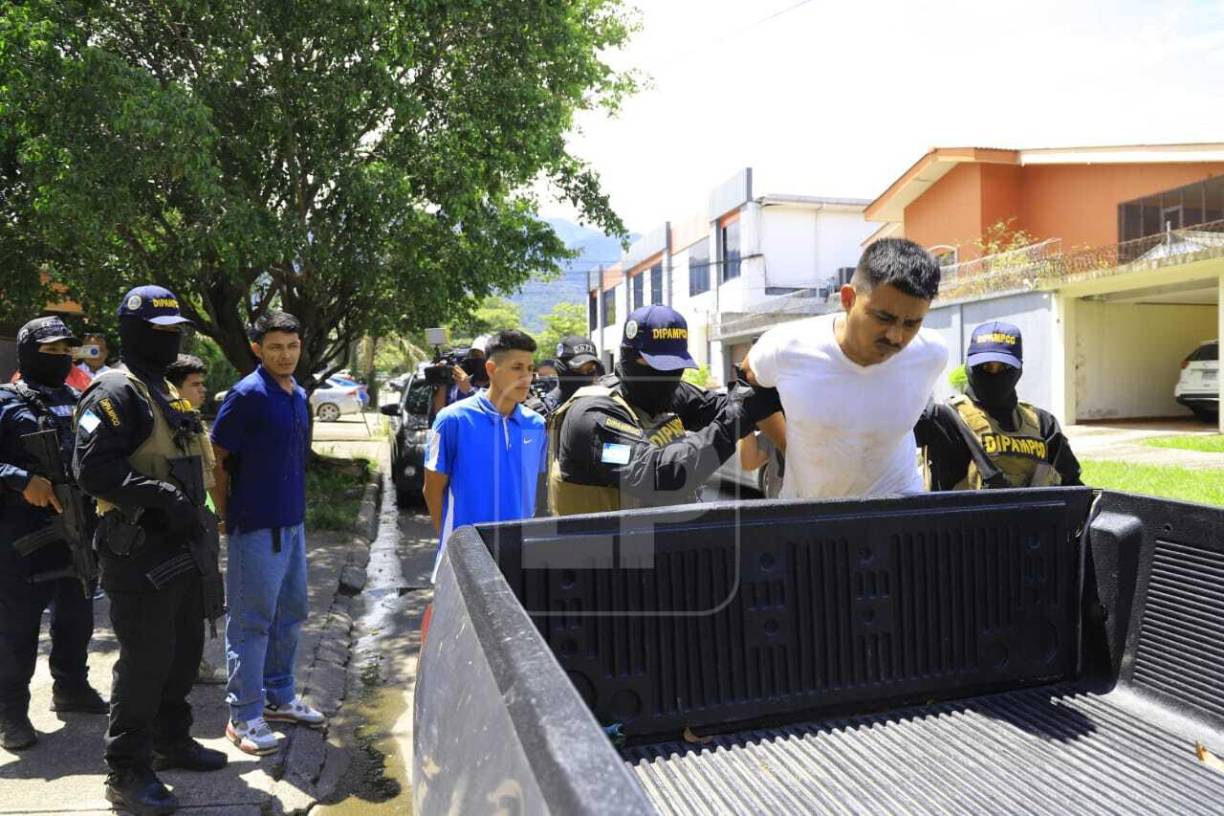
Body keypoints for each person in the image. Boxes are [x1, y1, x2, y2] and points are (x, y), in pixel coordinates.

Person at [73, 286, 227, 814]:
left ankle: (171, 740)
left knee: (183, 651)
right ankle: (126, 769)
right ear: (134, 332)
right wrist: (161, 497)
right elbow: (92, 470)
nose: (171, 339)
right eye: (161, 331)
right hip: (138, 550)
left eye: (175, 330)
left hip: (182, 545)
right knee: (144, 661)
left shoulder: (165, 389)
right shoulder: (115, 392)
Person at [741, 238, 948, 499]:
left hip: (896, 510)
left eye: (912, 323)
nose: (896, 337)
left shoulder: (932, 353)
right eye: (884, 318)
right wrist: (786, 444)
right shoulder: (786, 347)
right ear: (849, 298)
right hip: (811, 515)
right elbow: (748, 381)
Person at [210, 312, 324, 757]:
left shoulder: (298, 394)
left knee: (291, 615)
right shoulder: (246, 395)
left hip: (291, 525)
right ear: (258, 348)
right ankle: (244, 715)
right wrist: (223, 515)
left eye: (292, 346)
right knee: (252, 622)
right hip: (254, 527)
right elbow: (217, 459)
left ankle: (279, 697)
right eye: (275, 346)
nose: (285, 354)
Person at [549, 305, 781, 515]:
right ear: (629, 357)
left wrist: (762, 386)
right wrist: (737, 417)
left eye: (676, 367)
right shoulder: (592, 416)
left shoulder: (669, 393)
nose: (669, 376)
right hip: (601, 556)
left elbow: (724, 406)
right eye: (660, 366)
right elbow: (657, 475)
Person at [0, 317, 106, 751]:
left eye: (67, 351)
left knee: (77, 616)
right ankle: (10, 711)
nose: (62, 358)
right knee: (16, 629)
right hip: (21, 537)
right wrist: (21, 478)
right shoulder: (6, 401)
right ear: (27, 354)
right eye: (51, 352)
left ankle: (71, 687)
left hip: (78, 528)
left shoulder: (81, 399)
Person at [423, 330, 547, 579]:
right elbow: (432, 490)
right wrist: (454, 548)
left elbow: (536, 492)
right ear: (491, 369)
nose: (527, 377)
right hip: (463, 563)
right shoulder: (451, 420)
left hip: (518, 562)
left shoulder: (536, 424)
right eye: (517, 368)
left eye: (530, 368)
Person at [916, 321, 1083, 490]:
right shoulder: (942, 419)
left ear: (1018, 369)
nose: (994, 374)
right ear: (969, 368)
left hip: (1032, 516)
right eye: (985, 366)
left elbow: (1073, 489)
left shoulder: (1043, 424)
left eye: (1004, 367)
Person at [165, 355, 227, 687]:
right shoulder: (163, 426)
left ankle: (193, 663)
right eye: (196, 384)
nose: (203, 390)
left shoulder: (191, 420)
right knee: (174, 606)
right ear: (174, 388)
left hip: (199, 523)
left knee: (199, 599)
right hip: (178, 527)